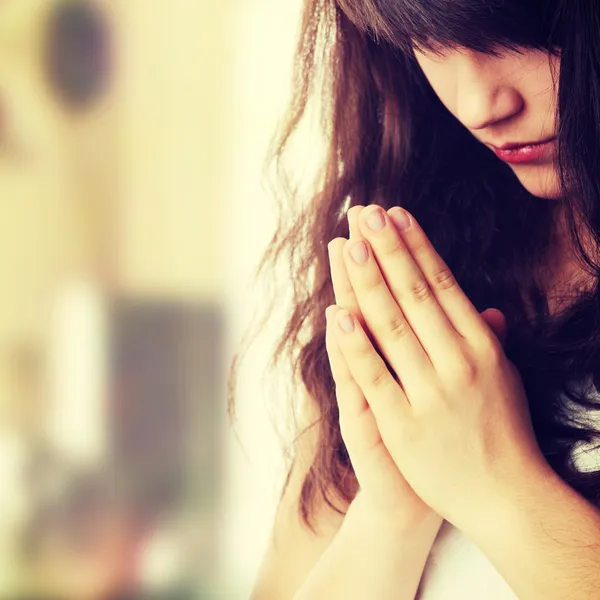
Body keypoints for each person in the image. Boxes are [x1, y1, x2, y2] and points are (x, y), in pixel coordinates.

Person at [229, 0, 600, 598]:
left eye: (529, 33)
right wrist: (391, 513)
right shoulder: (425, 247)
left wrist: (496, 485)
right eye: (429, 39)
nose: (481, 103)